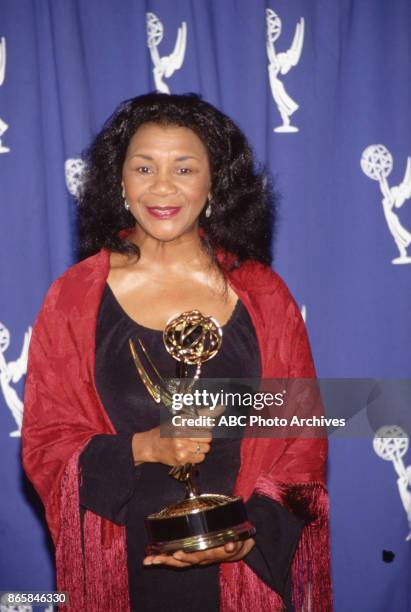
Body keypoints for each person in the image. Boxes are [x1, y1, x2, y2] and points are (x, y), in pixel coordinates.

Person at [22, 92, 332, 611]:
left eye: (184, 168)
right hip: (121, 567)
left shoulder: (263, 294)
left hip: (238, 567)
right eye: (144, 167)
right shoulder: (74, 295)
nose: (162, 187)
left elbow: (301, 441)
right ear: (120, 181)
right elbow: (45, 442)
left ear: (214, 183)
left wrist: (249, 537)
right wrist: (144, 447)